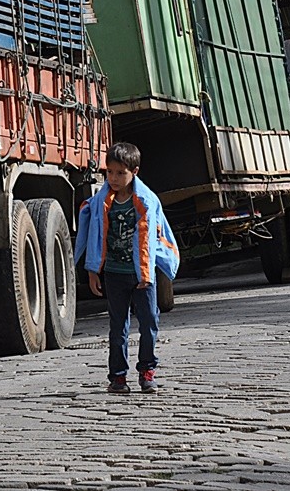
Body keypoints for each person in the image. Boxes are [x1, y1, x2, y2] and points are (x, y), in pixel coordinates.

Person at [75, 142, 179, 394]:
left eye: (120, 173)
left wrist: (146, 274)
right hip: (114, 273)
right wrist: (92, 270)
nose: (114, 178)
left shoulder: (146, 200)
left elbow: (151, 239)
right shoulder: (100, 202)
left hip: (142, 275)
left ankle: (147, 371)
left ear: (135, 171)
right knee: (118, 327)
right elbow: (94, 237)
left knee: (149, 322)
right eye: (109, 172)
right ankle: (118, 377)